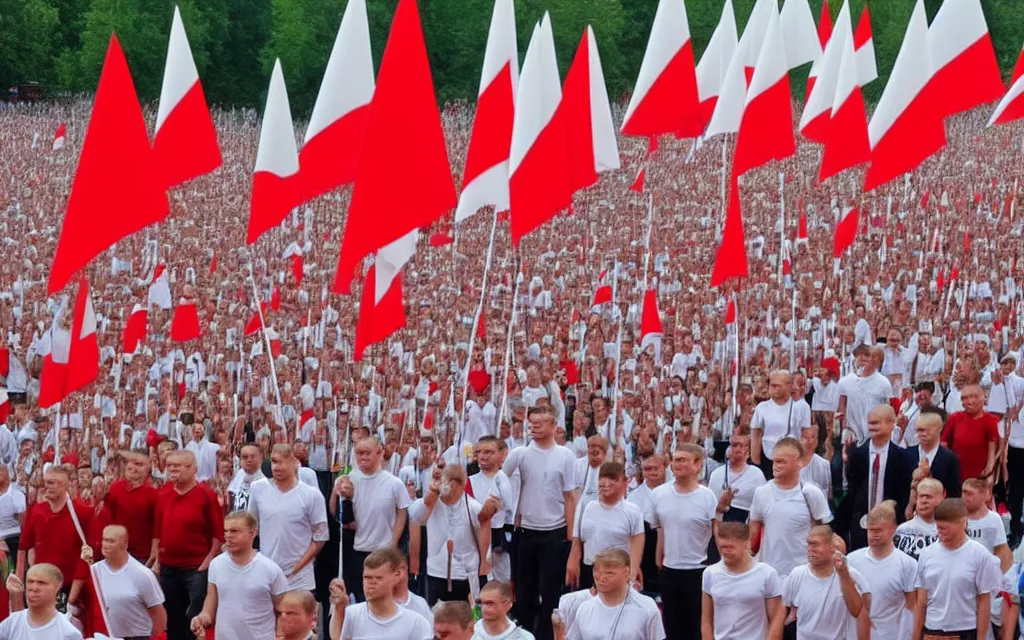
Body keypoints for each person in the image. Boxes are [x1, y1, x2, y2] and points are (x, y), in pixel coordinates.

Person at [502, 405, 577, 640]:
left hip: (554, 531)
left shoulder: (565, 456)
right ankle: (524, 632)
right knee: (524, 589)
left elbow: (570, 496)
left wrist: (571, 535)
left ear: (553, 426)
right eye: (531, 423)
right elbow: (500, 482)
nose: (533, 427)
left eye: (539, 423)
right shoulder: (520, 454)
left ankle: (547, 634)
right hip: (525, 531)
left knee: (551, 590)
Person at [649, 443, 717, 640]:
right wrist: (659, 560)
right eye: (674, 459)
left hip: (699, 571)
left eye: (682, 460)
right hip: (670, 571)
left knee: (697, 627)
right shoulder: (659, 494)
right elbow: (660, 529)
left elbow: (716, 534)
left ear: (697, 464)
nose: (676, 464)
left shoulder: (707, 497)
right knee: (672, 628)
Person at [154, 450, 224, 640]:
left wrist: (207, 562)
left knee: (194, 618)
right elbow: (158, 531)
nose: (173, 469)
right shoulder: (163, 494)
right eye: (169, 466)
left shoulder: (206, 495)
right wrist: (156, 559)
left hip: (196, 568)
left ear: (194, 468)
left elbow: (218, 534)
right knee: (173, 619)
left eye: (179, 465)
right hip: (168, 568)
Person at [331, 436, 411, 603]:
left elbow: (402, 512)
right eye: (359, 453)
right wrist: (337, 493)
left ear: (379, 452)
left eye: (367, 453)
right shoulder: (349, 478)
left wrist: (393, 542)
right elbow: (334, 512)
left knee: (384, 597)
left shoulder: (394, 483)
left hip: (384, 549)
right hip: (357, 549)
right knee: (360, 598)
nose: (363, 457)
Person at [913, 498, 1003, 639]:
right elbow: (921, 601)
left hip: (965, 630)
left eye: (944, 528)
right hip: (932, 630)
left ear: (962, 522)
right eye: (938, 527)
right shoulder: (926, 554)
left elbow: (984, 602)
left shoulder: (979, 555)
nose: (939, 532)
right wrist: (916, 635)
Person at [191, 511, 289, 640]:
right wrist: (200, 619)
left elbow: (284, 610)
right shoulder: (216, 565)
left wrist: (280, 634)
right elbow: (209, 609)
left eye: (234, 531)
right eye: (226, 531)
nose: (228, 536)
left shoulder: (270, 569)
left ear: (252, 533)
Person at [408, 460, 493, 605]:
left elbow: (485, 540)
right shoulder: (432, 502)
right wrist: (431, 495)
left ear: (461, 484)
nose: (444, 486)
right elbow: (417, 517)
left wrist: (484, 570)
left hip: (466, 575)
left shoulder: (473, 507)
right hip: (436, 573)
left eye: (447, 482)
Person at [247, 443, 328, 591]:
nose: (277, 467)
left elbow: (320, 537)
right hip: (267, 576)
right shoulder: (257, 489)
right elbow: (250, 528)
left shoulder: (312, 495)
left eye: (283, 461)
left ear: (294, 462)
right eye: (274, 461)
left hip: (300, 580)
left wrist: (297, 567)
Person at [750, 437, 832, 580]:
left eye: (781, 461)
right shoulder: (761, 492)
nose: (776, 466)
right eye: (774, 461)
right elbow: (752, 538)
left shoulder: (811, 493)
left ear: (799, 462)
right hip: (771, 573)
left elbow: (824, 535)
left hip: (804, 573)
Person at [836, 405, 913, 550]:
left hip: (891, 524)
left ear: (891, 424)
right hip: (861, 523)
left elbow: (904, 495)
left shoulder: (904, 459)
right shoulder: (858, 455)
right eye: (870, 423)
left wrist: (898, 520)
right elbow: (852, 491)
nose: (873, 427)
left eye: (877, 422)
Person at [17, 465, 92, 610]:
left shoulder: (83, 513)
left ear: (66, 485)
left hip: (69, 587)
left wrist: (71, 599)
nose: (47, 487)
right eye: (46, 482)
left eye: (52, 483)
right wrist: (21, 584)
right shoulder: (37, 511)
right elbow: (23, 547)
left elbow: (87, 557)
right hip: (41, 583)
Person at [80, 524, 167, 640]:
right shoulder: (94, 571)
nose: (105, 545)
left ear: (124, 543)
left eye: (111, 541)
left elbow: (158, 614)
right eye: (104, 540)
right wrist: (82, 563)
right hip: (104, 636)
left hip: (136, 636)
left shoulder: (142, 574)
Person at [555, 549, 664, 640]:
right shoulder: (584, 608)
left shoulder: (647, 608)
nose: (601, 578)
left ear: (627, 572)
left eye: (609, 573)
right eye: (596, 571)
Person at [700, 521, 784, 640]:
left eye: (731, 547)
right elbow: (706, 620)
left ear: (746, 543)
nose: (725, 552)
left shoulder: (767, 573)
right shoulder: (710, 573)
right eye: (722, 547)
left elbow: (776, 619)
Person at [846, 501, 917, 640]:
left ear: (893, 529)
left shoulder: (908, 564)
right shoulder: (851, 561)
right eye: (870, 530)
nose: (873, 535)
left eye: (878, 530)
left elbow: (912, 607)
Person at [567, 461, 643, 590]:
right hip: (590, 569)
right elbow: (577, 540)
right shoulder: (586, 506)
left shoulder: (633, 512)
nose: (606, 484)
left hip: (617, 571)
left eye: (613, 479)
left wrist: (633, 571)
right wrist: (573, 562)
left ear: (625, 482)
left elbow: (637, 544)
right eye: (603, 479)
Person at [782, 525, 867, 639]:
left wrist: (843, 574)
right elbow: (785, 610)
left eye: (815, 544)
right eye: (809, 544)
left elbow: (857, 610)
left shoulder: (850, 574)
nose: (810, 550)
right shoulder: (797, 575)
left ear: (831, 546)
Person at [329, 548, 433, 640]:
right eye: (367, 578)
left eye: (378, 578)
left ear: (396, 576)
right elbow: (336, 637)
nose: (371, 583)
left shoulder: (416, 623)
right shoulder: (352, 614)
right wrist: (339, 607)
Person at [468, 436, 515, 582]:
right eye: (480, 452)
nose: (483, 456)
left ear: (502, 454)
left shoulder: (510, 480)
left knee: (503, 583)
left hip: (502, 539)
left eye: (489, 452)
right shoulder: (469, 481)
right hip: (477, 540)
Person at [101, 450, 159, 566]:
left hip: (142, 556)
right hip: (116, 552)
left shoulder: (154, 494)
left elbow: (158, 527)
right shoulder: (115, 488)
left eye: (139, 464)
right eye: (131, 463)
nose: (134, 468)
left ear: (148, 468)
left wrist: (154, 553)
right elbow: (107, 519)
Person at [751, 371, 811, 479]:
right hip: (767, 457)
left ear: (789, 385)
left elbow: (805, 435)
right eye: (772, 386)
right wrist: (756, 463)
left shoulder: (801, 407)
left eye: (778, 386)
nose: (775, 389)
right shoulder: (762, 408)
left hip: (791, 456)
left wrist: (803, 462)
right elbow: (756, 435)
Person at [0, 563, 81, 639]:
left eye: (41, 583)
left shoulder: (68, 633)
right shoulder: (11, 623)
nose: (34, 588)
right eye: (30, 582)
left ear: (57, 587)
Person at [836, 346, 896, 446]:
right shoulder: (845, 382)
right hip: (852, 438)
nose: (870, 359)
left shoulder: (884, 383)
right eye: (868, 356)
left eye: (875, 357)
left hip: (875, 437)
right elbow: (841, 409)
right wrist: (845, 429)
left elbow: (889, 410)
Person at [943, 384, 1000, 481]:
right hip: (956, 470)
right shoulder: (955, 417)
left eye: (974, 397)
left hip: (979, 473)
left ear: (983, 399)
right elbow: (944, 442)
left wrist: (990, 467)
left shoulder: (990, 420)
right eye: (965, 398)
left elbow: (992, 444)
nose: (969, 401)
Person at [627, 453, 665, 595]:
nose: (653, 472)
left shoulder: (671, 492)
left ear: (664, 468)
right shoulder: (633, 497)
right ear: (642, 471)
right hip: (644, 550)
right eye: (648, 469)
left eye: (656, 468)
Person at [707, 434, 766, 523]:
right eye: (735, 445)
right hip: (723, 524)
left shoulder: (757, 474)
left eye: (743, 446)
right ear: (729, 450)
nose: (738, 449)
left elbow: (762, 507)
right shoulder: (717, 474)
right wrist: (723, 505)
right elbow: (711, 510)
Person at [906, 409, 962, 501]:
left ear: (939, 429)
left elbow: (954, 494)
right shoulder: (907, 454)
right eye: (920, 430)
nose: (923, 434)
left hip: (939, 511)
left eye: (927, 430)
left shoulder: (949, 458)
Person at [962, 478, 1012, 573]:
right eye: (963, 492)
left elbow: (1002, 550)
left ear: (983, 495)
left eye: (969, 494)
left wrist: (999, 576)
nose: (965, 497)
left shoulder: (993, 519)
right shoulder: (956, 516)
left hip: (985, 571)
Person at [894, 478, 944, 560]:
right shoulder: (903, 530)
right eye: (921, 496)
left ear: (941, 498)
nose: (924, 501)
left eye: (928, 497)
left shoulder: (947, 531)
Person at [227, 442, 265, 512]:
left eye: (253, 456)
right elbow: (230, 495)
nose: (249, 460)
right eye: (245, 457)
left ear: (261, 458)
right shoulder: (239, 474)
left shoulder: (263, 484)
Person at [0, 465, 25, 565]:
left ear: (7, 474)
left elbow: (23, 521)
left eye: (1, 471)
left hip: (13, 537)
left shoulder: (16, 494)